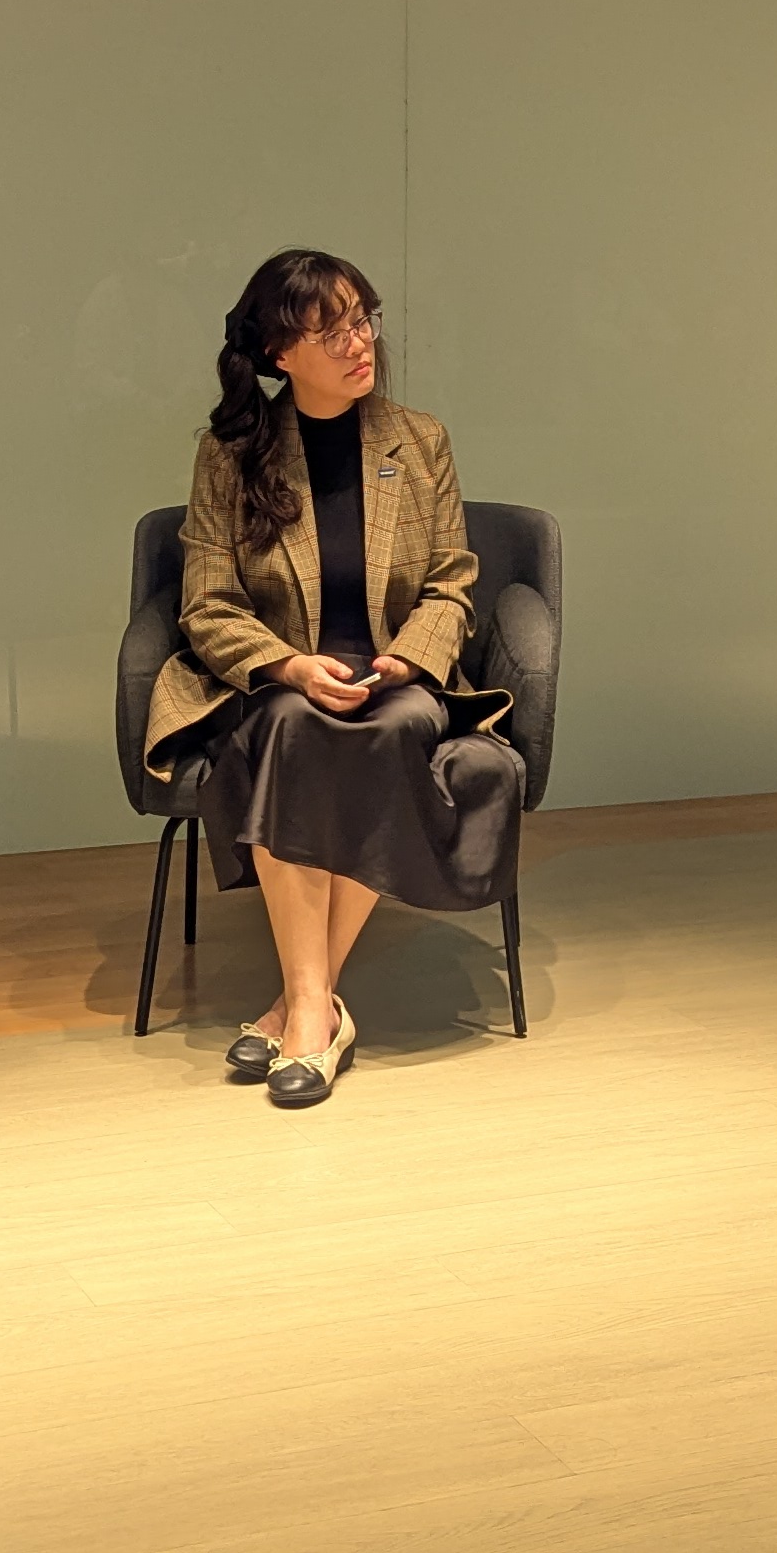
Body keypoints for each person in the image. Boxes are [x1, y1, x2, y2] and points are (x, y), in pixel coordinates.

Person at [141, 249, 522, 1109]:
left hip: (395, 671)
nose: (360, 344)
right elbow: (207, 602)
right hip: (280, 677)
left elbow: (452, 581)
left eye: (363, 320)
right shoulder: (231, 455)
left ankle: (297, 1009)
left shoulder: (419, 441)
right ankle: (316, 1012)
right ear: (281, 353)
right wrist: (288, 665)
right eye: (334, 330)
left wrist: (410, 659)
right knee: (291, 727)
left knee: (394, 727)